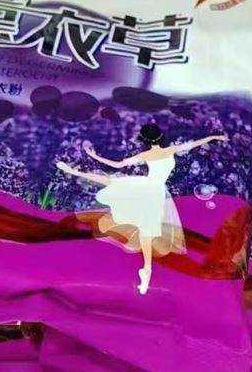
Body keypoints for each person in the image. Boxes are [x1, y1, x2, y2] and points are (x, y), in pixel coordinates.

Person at [57, 123, 228, 295]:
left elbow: (118, 165)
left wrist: (95, 156)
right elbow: (196, 143)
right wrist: (215, 137)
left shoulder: (146, 155)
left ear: (145, 140)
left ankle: (73, 171)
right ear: (160, 137)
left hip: (147, 187)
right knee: (147, 232)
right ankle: (146, 272)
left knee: (111, 182)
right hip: (156, 191)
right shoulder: (170, 150)